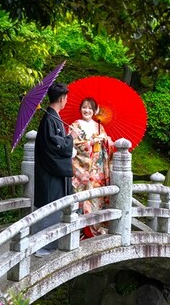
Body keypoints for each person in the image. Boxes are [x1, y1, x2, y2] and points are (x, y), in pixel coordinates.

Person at [33, 82, 73, 256]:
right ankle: (44, 246)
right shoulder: (50, 119)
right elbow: (55, 148)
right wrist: (71, 138)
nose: (66, 101)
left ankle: (50, 244)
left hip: (52, 172)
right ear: (62, 98)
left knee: (54, 206)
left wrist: (67, 138)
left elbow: (58, 144)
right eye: (66, 98)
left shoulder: (52, 118)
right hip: (50, 173)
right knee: (50, 206)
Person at [70, 97, 113, 238]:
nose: (86, 110)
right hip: (82, 170)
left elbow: (108, 147)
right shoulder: (75, 125)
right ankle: (81, 230)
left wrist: (106, 141)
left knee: (97, 199)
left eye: (90, 108)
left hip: (97, 171)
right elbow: (73, 144)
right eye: (84, 107)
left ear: (95, 111)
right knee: (82, 198)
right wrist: (91, 142)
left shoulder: (99, 126)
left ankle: (97, 227)